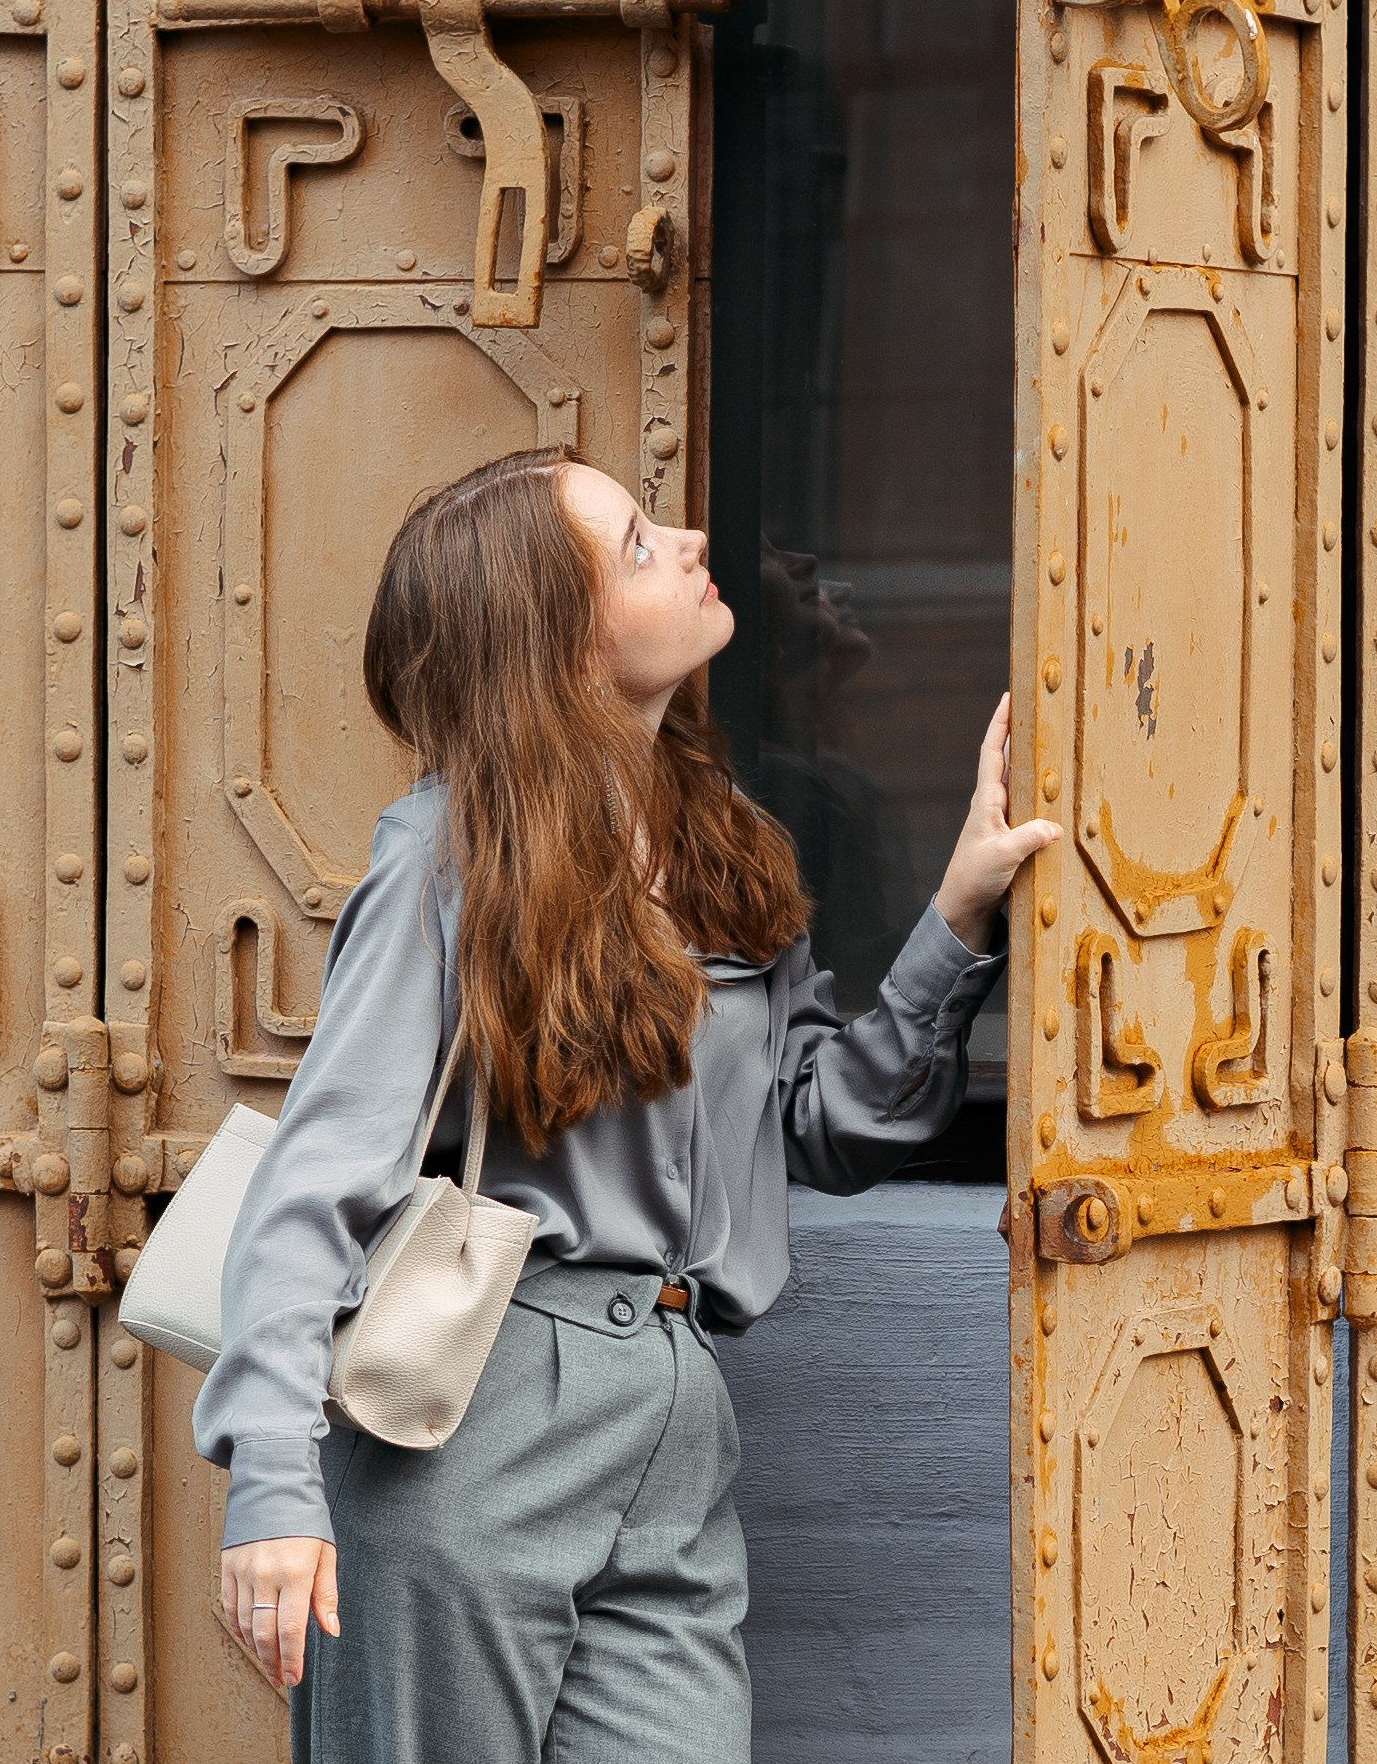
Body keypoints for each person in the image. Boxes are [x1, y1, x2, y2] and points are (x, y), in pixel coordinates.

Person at [194, 444, 1056, 1759]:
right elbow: (315, 1181)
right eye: (641, 546)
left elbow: (824, 1126)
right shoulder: (448, 853)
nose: (694, 539)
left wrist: (959, 909)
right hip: (473, 1420)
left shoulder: (722, 842)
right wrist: (270, 1475)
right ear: (559, 644)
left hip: (675, 1415)